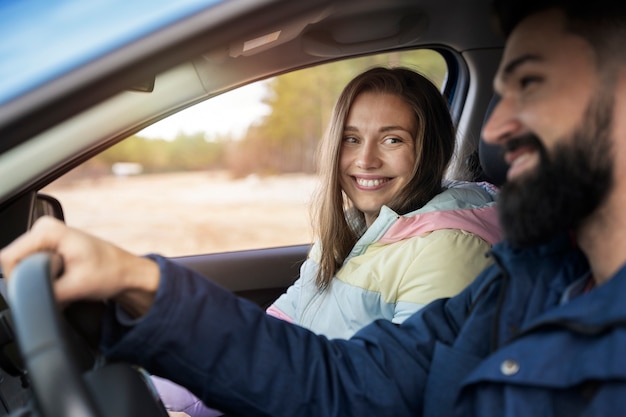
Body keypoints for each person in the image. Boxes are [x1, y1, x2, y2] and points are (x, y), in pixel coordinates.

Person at [3, 0, 624, 416]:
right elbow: (345, 382)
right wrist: (143, 284)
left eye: (532, 82)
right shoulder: (524, 283)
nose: (498, 126)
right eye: (352, 139)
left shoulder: (466, 254)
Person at [153, 67, 501, 416]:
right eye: (351, 139)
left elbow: (403, 398)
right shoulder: (350, 231)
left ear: (431, 151)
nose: (366, 160)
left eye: (392, 139)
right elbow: (280, 331)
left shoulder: (450, 250)